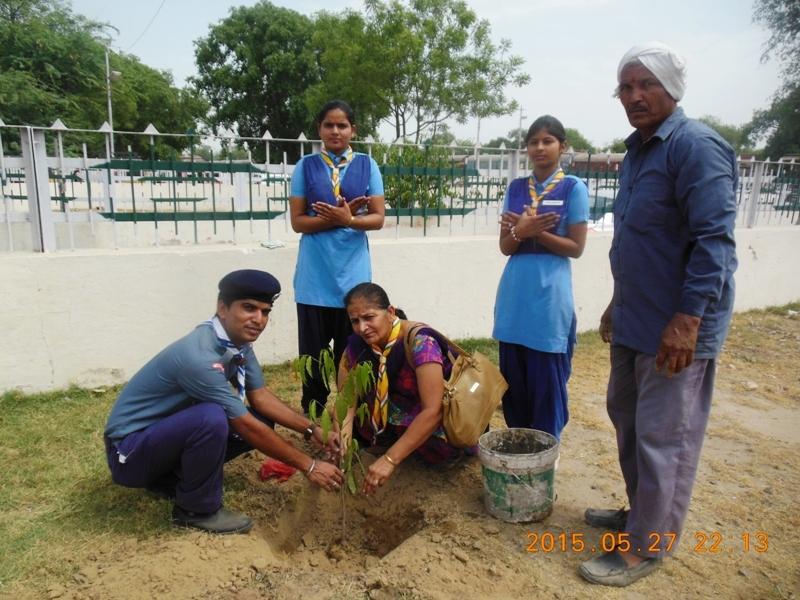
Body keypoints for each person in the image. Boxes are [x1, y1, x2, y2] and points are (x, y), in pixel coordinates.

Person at [579, 42, 738, 587]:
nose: (635, 95)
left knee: (662, 435)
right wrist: (614, 303)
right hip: (635, 318)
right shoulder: (639, 152)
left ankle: (648, 546)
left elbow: (714, 242)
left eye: (646, 84)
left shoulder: (696, 148)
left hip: (677, 328)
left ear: (672, 87)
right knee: (626, 418)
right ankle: (640, 514)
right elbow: (640, 241)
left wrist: (689, 319)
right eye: (626, 86)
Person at [104, 270, 344, 534]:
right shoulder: (199, 356)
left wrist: (313, 430)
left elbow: (260, 396)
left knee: (260, 419)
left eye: (265, 312)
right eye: (249, 308)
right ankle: (195, 509)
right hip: (128, 452)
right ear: (222, 308)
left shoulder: (236, 344)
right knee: (213, 418)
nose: (259, 320)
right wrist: (308, 465)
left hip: (160, 436)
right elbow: (244, 424)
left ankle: (170, 479)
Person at [494, 115, 589, 439]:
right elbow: (506, 246)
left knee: (547, 381)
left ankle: (547, 452)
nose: (539, 148)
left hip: (549, 297)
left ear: (563, 146)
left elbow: (575, 247)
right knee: (514, 380)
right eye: (533, 142)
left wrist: (534, 233)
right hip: (515, 295)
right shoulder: (517, 188)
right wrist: (520, 232)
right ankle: (519, 445)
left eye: (547, 141)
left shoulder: (573, 187)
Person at [289, 100, 386, 418]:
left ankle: (355, 419)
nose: (335, 130)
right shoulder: (305, 166)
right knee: (314, 360)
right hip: (314, 280)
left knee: (355, 356)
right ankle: (315, 419)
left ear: (353, 130)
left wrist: (348, 221)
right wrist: (338, 219)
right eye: (329, 125)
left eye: (342, 125)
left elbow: (378, 218)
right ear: (319, 128)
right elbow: (298, 222)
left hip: (353, 281)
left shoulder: (367, 166)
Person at [338, 282, 467, 496]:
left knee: (437, 447)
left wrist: (389, 459)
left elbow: (433, 410)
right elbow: (346, 401)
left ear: (390, 312)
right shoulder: (356, 345)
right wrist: (343, 446)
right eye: (355, 321)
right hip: (391, 418)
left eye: (369, 317)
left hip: (433, 422)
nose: (362, 327)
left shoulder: (421, 342)